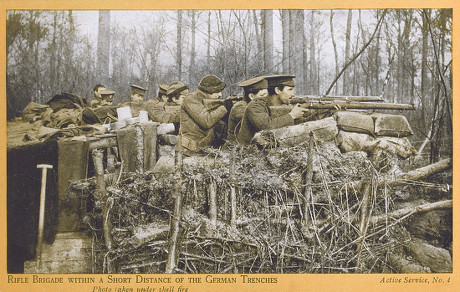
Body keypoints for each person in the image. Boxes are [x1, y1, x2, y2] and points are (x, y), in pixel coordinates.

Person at [236, 75, 306, 146]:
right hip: (247, 152)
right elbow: (267, 127)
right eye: (290, 90)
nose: (293, 94)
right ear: (277, 90)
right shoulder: (254, 106)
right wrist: (292, 116)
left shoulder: (268, 107)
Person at [178, 74, 231, 153]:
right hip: (189, 150)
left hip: (206, 148)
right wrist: (224, 108)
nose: (220, 94)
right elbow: (206, 121)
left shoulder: (209, 101)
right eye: (217, 91)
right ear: (208, 91)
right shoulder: (191, 99)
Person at [227, 76, 268, 145]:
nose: (265, 99)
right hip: (233, 150)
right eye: (262, 95)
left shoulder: (257, 107)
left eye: (267, 94)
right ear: (251, 96)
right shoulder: (240, 107)